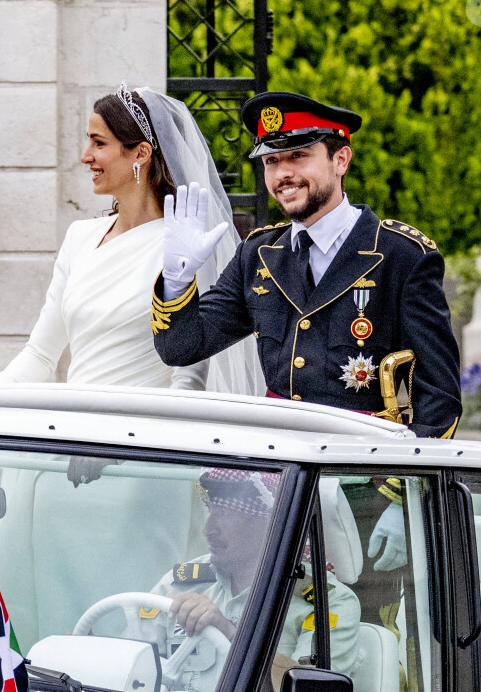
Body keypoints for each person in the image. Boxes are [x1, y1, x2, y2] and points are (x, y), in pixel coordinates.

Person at [152, 91, 462, 439]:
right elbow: (182, 348)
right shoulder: (257, 254)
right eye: (271, 161)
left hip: (362, 467)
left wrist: (393, 483)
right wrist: (176, 279)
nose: (283, 173)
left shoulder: (401, 256)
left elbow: (440, 396)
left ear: (341, 160)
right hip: (279, 458)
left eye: (298, 156)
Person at [0, 85, 263, 395]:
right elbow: (40, 354)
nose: (85, 156)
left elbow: (189, 373)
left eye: (99, 143)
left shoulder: (184, 244)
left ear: (141, 153)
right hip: (74, 426)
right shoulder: (80, 237)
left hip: (142, 432)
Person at [133, 468, 360, 692]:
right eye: (210, 510)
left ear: (270, 525)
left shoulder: (327, 602)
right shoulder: (180, 584)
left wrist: (231, 633)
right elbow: (128, 664)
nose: (208, 529)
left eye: (227, 514)